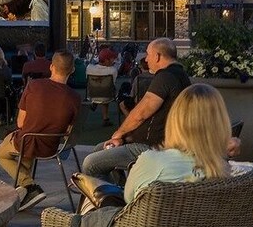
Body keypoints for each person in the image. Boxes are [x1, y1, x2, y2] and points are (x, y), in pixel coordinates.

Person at [82, 38, 191, 181]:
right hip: (155, 142)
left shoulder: (166, 77)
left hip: (151, 147)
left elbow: (142, 112)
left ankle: (110, 200)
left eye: (148, 54)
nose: (146, 59)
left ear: (157, 56)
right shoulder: (180, 75)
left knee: (91, 163)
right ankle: (119, 191)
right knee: (99, 149)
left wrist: (119, 134)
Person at [124, 83, 242, 203]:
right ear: (221, 121)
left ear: (175, 118)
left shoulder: (152, 161)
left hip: (147, 220)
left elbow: (128, 199)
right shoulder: (224, 170)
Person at [0, 50, 81, 211]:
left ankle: (30, 186)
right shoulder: (75, 98)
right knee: (26, 147)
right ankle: (26, 191)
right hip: (52, 146)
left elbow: (20, 122)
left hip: (27, 141)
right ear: (73, 70)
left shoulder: (34, 85)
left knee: (0, 153)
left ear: (51, 67)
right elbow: (69, 129)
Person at [86, 47, 118, 126]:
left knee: (101, 89)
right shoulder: (113, 70)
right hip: (108, 95)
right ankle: (105, 118)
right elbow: (113, 83)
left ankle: (95, 103)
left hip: (92, 95)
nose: (114, 61)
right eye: (112, 59)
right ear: (107, 60)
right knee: (105, 91)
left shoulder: (89, 68)